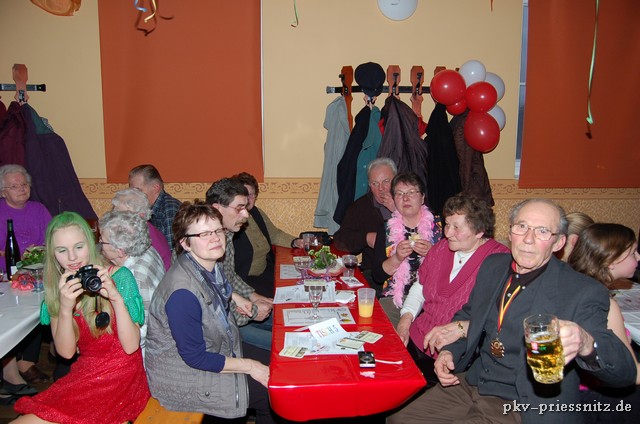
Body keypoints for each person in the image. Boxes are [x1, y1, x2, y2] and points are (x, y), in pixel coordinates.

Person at [387, 198, 637, 424]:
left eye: (542, 231)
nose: (528, 238)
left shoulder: (581, 290)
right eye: (522, 227)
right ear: (510, 233)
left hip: (524, 402)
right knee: (399, 418)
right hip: (475, 382)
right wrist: (449, 352)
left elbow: (625, 373)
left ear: (559, 242)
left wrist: (586, 343)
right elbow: (469, 314)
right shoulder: (493, 266)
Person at [144, 201, 275, 423]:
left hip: (215, 347)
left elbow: (217, 286)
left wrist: (235, 296)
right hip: (184, 377)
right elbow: (195, 358)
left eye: (217, 230)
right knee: (271, 391)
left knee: (277, 364)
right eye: (204, 234)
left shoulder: (206, 264)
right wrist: (251, 367)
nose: (215, 238)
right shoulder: (182, 294)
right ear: (185, 243)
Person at [13, 212, 150, 423]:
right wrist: (65, 308)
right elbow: (66, 352)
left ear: (91, 243)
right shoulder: (58, 289)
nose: (72, 258)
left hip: (122, 379)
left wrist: (115, 298)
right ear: (53, 253)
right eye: (62, 250)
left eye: (79, 247)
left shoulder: (119, 276)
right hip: (86, 374)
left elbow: (131, 347)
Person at [395, 193, 510, 386]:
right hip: (417, 340)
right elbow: (420, 287)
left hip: (456, 358)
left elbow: (499, 318)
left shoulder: (499, 261)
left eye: (456, 227)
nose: (447, 233)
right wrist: (405, 322)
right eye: (447, 224)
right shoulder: (440, 248)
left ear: (479, 231)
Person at [568, 223, 640, 424]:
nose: (638, 257)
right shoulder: (606, 305)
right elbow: (631, 373)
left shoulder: (572, 285)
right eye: (633, 253)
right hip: (599, 400)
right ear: (611, 261)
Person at [0, 164, 52, 389]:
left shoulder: (38, 209)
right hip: (5, 276)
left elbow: (52, 238)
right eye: (14, 186)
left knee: (40, 307)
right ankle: (9, 368)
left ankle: (27, 361)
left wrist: (39, 251)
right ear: (3, 192)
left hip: (37, 273)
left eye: (24, 184)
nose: (22, 188)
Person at [207, 178, 274, 351]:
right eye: (239, 208)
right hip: (216, 329)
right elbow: (213, 306)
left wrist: (253, 296)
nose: (246, 215)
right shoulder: (205, 245)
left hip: (232, 312)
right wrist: (253, 311)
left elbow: (229, 276)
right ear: (217, 208)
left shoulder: (226, 235)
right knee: (283, 342)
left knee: (283, 319)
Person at [372, 172, 435, 325]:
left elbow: (455, 268)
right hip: (394, 300)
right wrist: (397, 258)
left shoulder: (440, 226)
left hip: (432, 298)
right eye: (399, 194)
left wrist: (433, 254)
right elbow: (377, 276)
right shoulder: (386, 229)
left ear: (422, 197)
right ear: (394, 199)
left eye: (411, 192)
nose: (405, 198)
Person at [99, 210, 165, 355]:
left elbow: (141, 333)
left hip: (145, 354)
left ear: (120, 251)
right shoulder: (148, 250)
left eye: (102, 241)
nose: (100, 244)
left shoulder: (134, 278)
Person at [232, 172, 302, 298]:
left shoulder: (257, 212)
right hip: (246, 278)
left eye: (251, 195)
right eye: (244, 194)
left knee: (297, 284)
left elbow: (274, 235)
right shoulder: (231, 221)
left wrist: (296, 242)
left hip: (265, 271)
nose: (248, 199)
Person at [333, 157, 397, 285]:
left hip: (410, 271)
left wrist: (397, 210)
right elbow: (340, 240)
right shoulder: (360, 207)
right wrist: (366, 238)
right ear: (369, 185)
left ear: (396, 180)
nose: (381, 188)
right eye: (375, 183)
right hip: (375, 273)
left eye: (386, 181)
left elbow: (427, 231)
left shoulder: (410, 200)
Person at [111, 187, 172, 270]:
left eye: (122, 215)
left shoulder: (143, 238)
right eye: (115, 214)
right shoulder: (148, 230)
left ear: (141, 215)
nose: (115, 219)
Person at [128, 164, 181, 254]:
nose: (133, 195)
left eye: (138, 190)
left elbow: (172, 254)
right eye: (132, 191)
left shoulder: (170, 210)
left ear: (156, 187)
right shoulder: (142, 209)